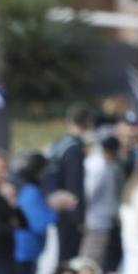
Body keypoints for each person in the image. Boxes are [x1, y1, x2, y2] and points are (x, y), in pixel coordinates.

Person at [13, 153, 74, 274]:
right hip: (25, 253)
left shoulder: (33, 192)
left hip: (30, 253)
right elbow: (39, 223)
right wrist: (56, 210)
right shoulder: (31, 192)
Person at [44, 104, 91, 263]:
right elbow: (74, 184)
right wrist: (79, 218)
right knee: (68, 258)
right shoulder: (74, 149)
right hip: (68, 211)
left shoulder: (60, 142)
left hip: (56, 205)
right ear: (87, 123)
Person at [80, 134, 122, 268]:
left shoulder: (100, 164)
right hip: (97, 220)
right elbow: (88, 193)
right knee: (91, 259)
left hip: (99, 218)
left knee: (96, 257)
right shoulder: (99, 167)